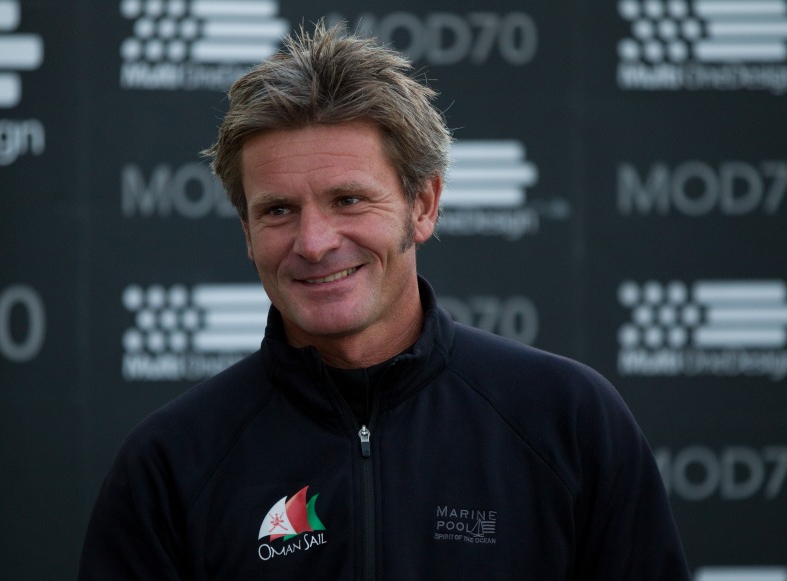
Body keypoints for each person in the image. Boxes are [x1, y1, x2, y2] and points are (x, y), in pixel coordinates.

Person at [79, 22, 689, 579]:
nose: (314, 243)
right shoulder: (171, 463)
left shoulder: (570, 422)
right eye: (278, 210)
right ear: (247, 232)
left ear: (423, 205)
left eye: (348, 200)